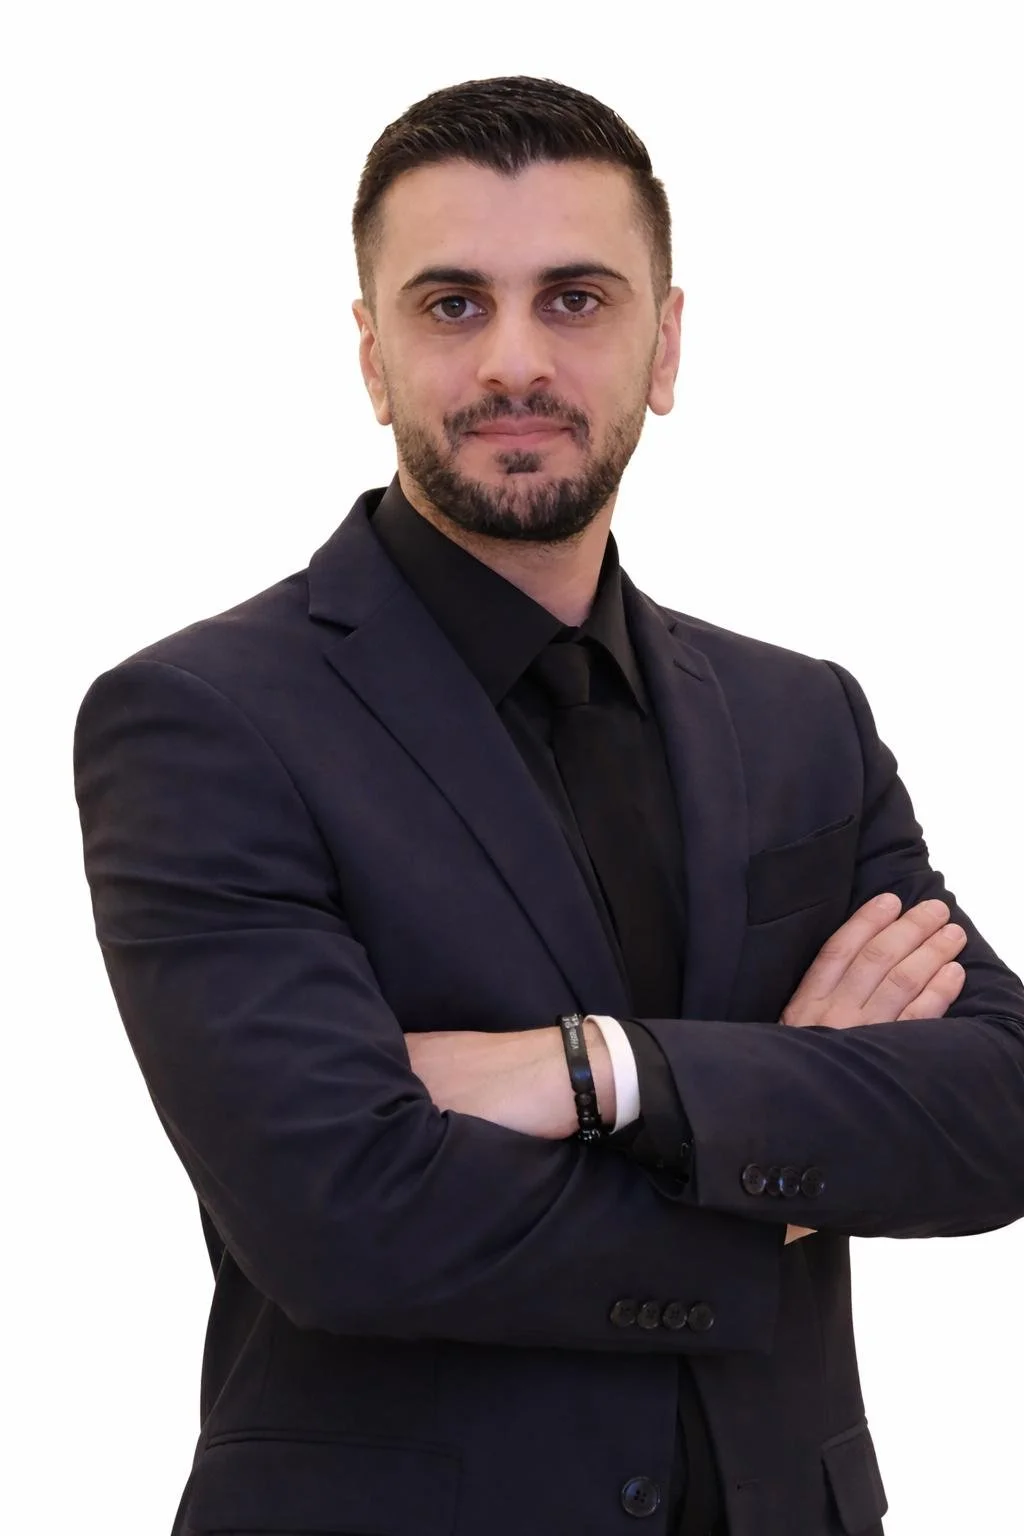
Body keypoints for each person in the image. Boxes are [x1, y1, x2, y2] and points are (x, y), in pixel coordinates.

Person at [73, 75, 1024, 1536]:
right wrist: (785, 1161)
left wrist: (601, 1072)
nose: (514, 360)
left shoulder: (802, 718)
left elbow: (999, 1107)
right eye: (453, 305)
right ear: (373, 357)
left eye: (575, 300)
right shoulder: (201, 719)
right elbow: (341, 1219)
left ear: (666, 343)